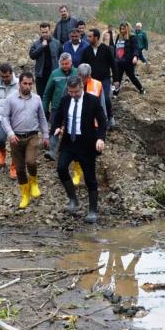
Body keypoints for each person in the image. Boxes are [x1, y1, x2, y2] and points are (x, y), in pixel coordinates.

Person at [52, 76, 107, 224]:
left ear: (81, 87)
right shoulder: (66, 100)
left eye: (76, 92)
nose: (73, 95)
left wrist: (101, 138)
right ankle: (73, 200)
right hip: (69, 141)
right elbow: (57, 117)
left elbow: (102, 122)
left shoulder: (92, 101)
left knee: (90, 178)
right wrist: (56, 127)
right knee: (61, 168)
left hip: (87, 143)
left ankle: (93, 210)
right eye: (71, 92)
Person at [1, 72, 50, 209]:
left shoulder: (37, 99)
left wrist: (46, 136)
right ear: (19, 83)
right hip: (16, 137)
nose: (27, 86)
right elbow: (4, 118)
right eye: (25, 83)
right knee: (20, 169)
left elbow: (42, 118)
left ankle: (34, 182)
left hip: (32, 135)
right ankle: (25, 194)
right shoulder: (10, 99)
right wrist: (10, 134)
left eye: (30, 84)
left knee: (30, 161)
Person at [43, 52, 77, 161]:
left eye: (67, 63)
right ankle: (51, 151)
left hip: (73, 106)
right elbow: (47, 93)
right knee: (54, 127)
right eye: (62, 64)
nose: (65, 66)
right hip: (57, 107)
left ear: (71, 62)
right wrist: (45, 109)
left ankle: (71, 151)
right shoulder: (55, 74)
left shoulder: (77, 73)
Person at [81, 28, 118, 127]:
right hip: (91, 81)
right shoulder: (86, 51)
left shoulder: (106, 49)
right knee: (92, 100)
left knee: (105, 99)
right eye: (87, 36)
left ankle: (109, 117)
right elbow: (82, 65)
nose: (87, 38)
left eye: (90, 36)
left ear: (96, 37)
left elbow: (113, 64)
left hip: (104, 79)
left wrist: (116, 79)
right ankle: (94, 120)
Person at [0, 63, 19, 179]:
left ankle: (14, 165)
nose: (5, 79)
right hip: (1, 118)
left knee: (15, 144)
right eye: (3, 77)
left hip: (15, 119)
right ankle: (2, 152)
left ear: (11, 74)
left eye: (7, 76)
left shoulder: (18, 85)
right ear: (0, 75)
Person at [29, 22, 61, 98]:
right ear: (40, 32)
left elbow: (61, 56)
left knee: (54, 97)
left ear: (50, 31)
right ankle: (44, 110)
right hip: (41, 76)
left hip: (53, 75)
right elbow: (32, 56)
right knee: (41, 97)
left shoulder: (56, 43)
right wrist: (42, 46)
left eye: (46, 32)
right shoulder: (36, 44)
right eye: (42, 32)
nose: (44, 34)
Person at [113, 22, 145, 96]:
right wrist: (114, 58)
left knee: (131, 76)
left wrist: (135, 56)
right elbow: (116, 48)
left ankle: (141, 89)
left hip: (128, 62)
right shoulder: (119, 36)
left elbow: (136, 48)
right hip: (119, 61)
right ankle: (115, 94)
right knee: (117, 78)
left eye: (123, 29)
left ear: (127, 29)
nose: (122, 30)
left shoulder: (132, 37)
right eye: (121, 29)